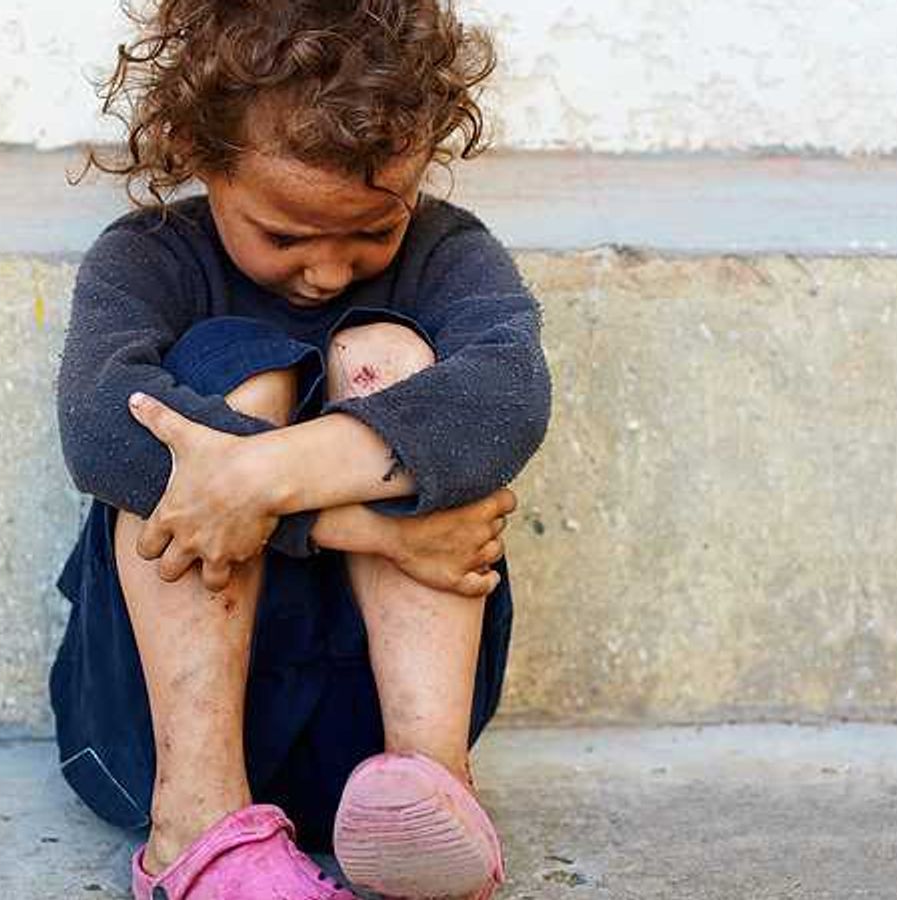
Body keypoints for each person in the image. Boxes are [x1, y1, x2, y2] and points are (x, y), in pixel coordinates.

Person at [46, 2, 550, 898]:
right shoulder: (149, 259)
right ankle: (197, 834)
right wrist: (366, 527)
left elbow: (508, 397)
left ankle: (429, 793)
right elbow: (100, 429)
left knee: (393, 359)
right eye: (285, 235)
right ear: (198, 155)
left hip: (368, 734)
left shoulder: (449, 252)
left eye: (373, 231)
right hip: (152, 735)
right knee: (228, 373)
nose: (325, 270)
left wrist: (264, 477)